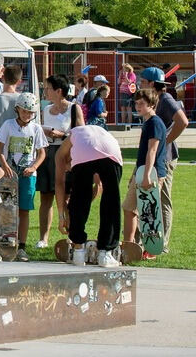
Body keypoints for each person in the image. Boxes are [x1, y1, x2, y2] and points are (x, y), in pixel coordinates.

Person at [55, 125, 124, 267]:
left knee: (78, 199)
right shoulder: (82, 134)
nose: (69, 170)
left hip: (97, 152)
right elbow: (99, 187)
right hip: (111, 151)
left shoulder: (61, 153)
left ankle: (78, 250)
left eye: (68, 168)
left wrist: (62, 216)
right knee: (111, 201)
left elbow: (59, 184)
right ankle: (105, 253)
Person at [0, 91, 47, 262]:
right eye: (24, 111)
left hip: (27, 175)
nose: (27, 115)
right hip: (10, 175)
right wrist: (5, 166)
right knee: (7, 209)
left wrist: (33, 167)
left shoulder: (36, 128)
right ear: (17, 109)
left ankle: (21, 246)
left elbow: (41, 153)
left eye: (30, 112)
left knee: (24, 210)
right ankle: (5, 243)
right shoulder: (8, 125)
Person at [138, 66, 187, 252]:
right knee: (147, 197)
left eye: (143, 81)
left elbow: (183, 121)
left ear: (152, 83)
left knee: (163, 199)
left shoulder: (165, 99)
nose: (139, 84)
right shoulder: (151, 100)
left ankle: (163, 243)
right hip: (153, 155)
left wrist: (165, 141)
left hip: (164, 157)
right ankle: (144, 239)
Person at [36, 74, 84, 248]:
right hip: (48, 152)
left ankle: (71, 234)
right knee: (46, 197)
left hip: (67, 154)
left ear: (59, 91)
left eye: (48, 88)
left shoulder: (73, 108)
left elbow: (81, 133)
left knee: (67, 197)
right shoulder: (46, 109)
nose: (45, 91)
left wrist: (62, 135)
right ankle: (43, 238)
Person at [122, 89, 168, 258]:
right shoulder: (147, 122)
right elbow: (143, 154)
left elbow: (152, 151)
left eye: (142, 103)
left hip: (152, 173)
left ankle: (149, 249)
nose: (138, 106)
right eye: (136, 103)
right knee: (130, 208)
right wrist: (135, 174)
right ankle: (129, 245)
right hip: (142, 172)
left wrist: (147, 175)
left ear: (152, 105)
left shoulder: (155, 123)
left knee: (148, 214)